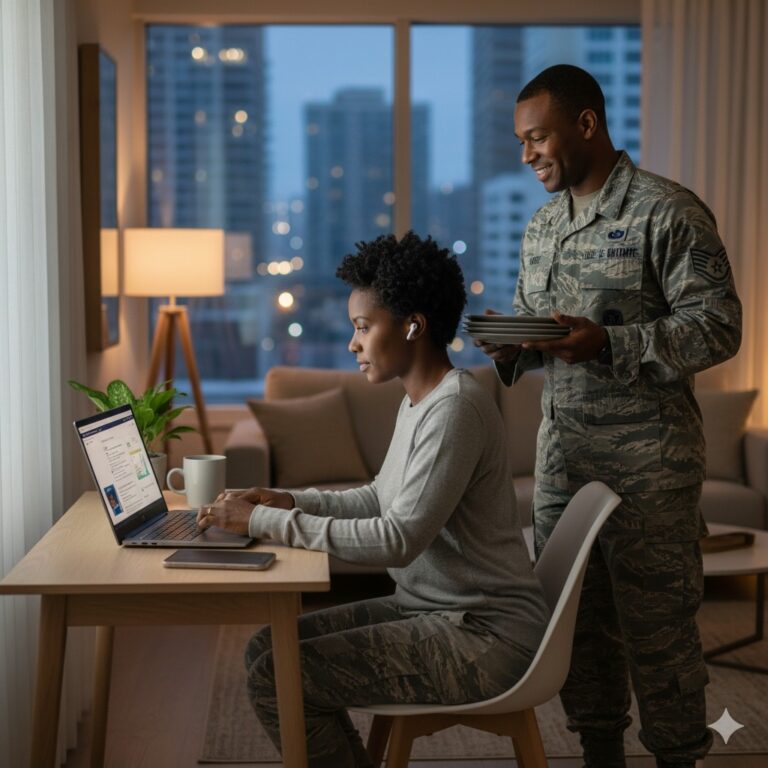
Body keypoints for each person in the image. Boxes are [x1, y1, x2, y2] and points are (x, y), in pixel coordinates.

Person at [198, 231, 550, 768]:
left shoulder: (454, 409)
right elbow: (376, 499)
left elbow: (398, 538)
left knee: (278, 674)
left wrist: (264, 521)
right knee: (266, 649)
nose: (352, 343)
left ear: (413, 325)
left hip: (484, 638)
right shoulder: (419, 402)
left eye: (363, 327)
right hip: (436, 613)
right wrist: (286, 500)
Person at [476, 64, 742, 768]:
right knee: (577, 626)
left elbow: (717, 327)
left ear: (585, 124)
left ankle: (678, 755)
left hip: (651, 467)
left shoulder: (666, 211)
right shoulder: (541, 226)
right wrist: (510, 347)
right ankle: (600, 753)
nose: (527, 154)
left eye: (537, 138)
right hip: (564, 459)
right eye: (521, 141)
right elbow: (547, 339)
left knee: (659, 632)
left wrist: (611, 342)